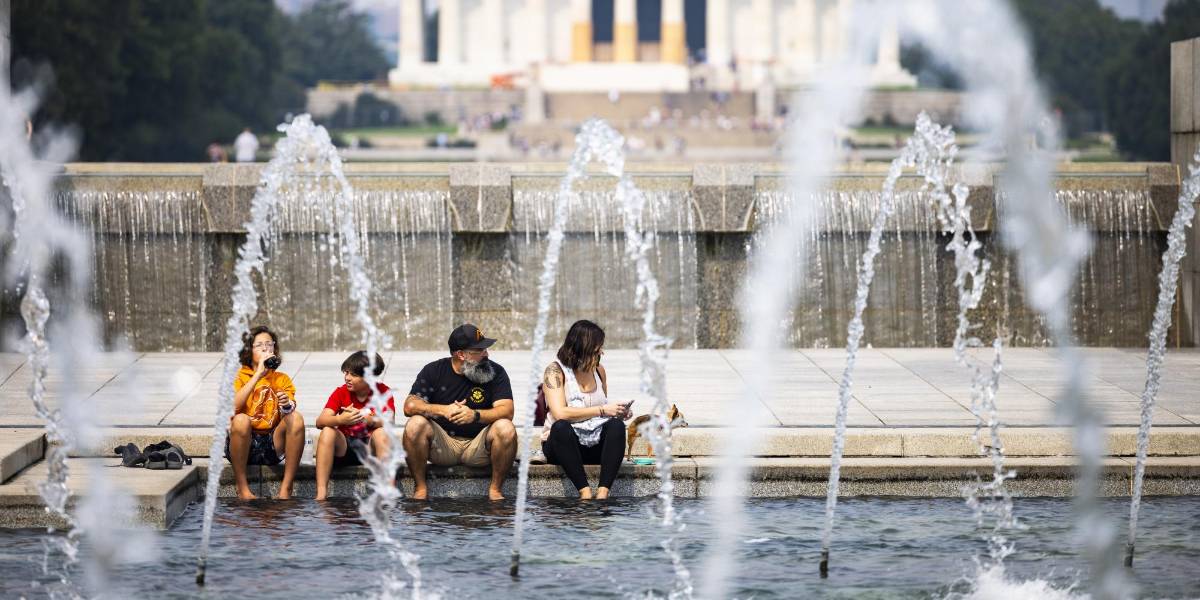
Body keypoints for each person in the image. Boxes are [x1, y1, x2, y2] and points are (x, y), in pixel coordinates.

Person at [402, 324, 517, 500]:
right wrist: (443, 410)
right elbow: (409, 406)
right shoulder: (434, 370)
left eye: (485, 348)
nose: (486, 353)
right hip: (443, 446)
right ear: (461, 354)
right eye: (479, 350)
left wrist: (475, 415)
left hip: (479, 448)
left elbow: (507, 410)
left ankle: (495, 490)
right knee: (414, 425)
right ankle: (420, 488)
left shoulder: (496, 371)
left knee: (506, 427)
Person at [541, 320, 632, 499]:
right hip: (563, 446)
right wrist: (603, 410)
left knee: (616, 427)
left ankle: (603, 493)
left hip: (593, 442)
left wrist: (618, 413)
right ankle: (584, 491)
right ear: (582, 348)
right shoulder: (554, 371)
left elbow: (603, 413)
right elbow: (560, 413)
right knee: (560, 427)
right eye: (597, 348)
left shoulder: (599, 370)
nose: (601, 352)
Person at [226, 326, 305, 500]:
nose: (265, 348)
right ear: (248, 350)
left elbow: (290, 407)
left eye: (269, 344)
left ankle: (286, 488)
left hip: (271, 443)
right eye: (259, 345)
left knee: (296, 418)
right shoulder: (238, 376)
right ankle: (242, 488)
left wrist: (286, 404)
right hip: (242, 442)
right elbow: (231, 407)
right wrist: (257, 376)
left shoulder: (281, 378)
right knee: (241, 420)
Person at [314, 351, 394, 501]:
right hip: (345, 448)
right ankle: (321, 493)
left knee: (382, 433)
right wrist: (340, 420)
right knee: (327, 431)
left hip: (370, 450)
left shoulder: (383, 391)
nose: (347, 378)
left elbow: (389, 420)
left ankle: (387, 491)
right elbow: (320, 420)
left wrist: (369, 420)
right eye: (346, 373)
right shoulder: (341, 392)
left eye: (354, 375)